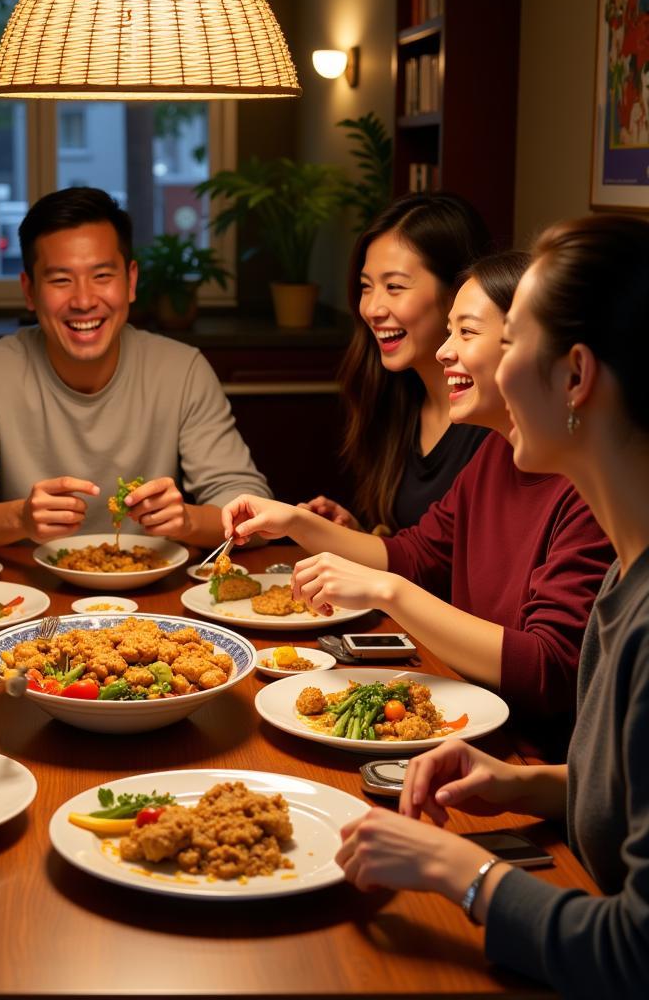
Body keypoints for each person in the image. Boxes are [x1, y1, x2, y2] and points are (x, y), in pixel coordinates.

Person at [334, 215, 649, 999]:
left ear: (575, 377)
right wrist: (527, 783)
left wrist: (457, 870)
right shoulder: (627, 578)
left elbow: (635, 954)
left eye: (508, 346)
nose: (484, 370)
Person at [222, 253, 613, 759]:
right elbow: (417, 554)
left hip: (524, 755)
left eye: (467, 333)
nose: (446, 352)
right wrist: (295, 521)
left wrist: (389, 592)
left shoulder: (590, 487)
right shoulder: (499, 450)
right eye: (450, 332)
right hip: (464, 727)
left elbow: (548, 670)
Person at [0, 187, 270, 552]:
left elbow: (257, 515)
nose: (84, 301)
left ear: (130, 281)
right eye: (60, 280)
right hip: (28, 600)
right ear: (29, 291)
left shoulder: (182, 370)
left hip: (152, 597)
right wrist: (20, 518)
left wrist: (189, 521)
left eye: (101, 276)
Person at [302, 193, 492, 533]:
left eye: (394, 287)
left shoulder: (493, 420)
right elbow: (413, 554)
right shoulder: (394, 397)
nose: (372, 309)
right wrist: (356, 535)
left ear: (457, 292)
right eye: (366, 287)